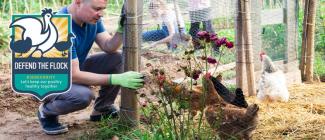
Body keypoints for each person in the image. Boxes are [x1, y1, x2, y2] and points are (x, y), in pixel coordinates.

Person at [37, 0, 144, 135]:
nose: (101, 14)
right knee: (82, 96)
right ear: (78, 2)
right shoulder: (60, 27)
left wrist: (121, 30)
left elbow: (108, 46)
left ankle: (102, 109)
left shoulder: (91, 20)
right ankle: (46, 112)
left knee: (118, 58)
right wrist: (117, 78)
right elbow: (73, 75)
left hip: (74, 69)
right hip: (49, 80)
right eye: (97, 9)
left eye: (103, 9)